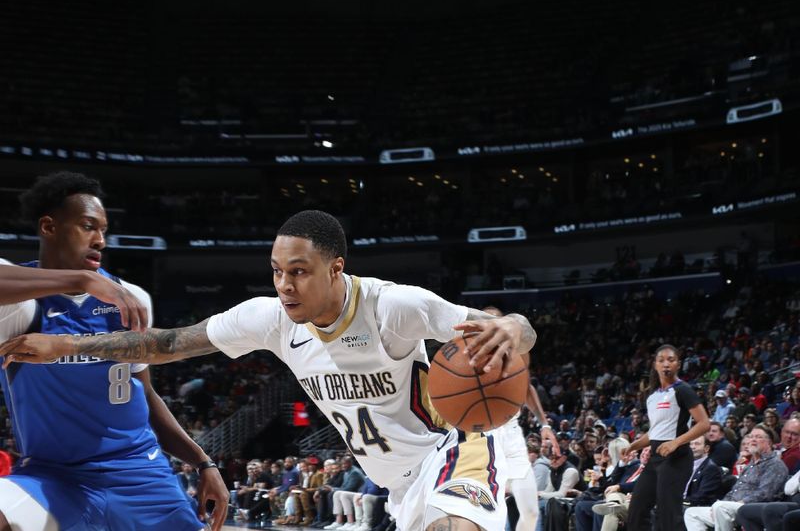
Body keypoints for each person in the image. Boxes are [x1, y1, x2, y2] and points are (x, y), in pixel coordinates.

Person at [2, 209, 538, 531]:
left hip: (453, 447)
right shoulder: (269, 318)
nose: (285, 284)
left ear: (336, 269)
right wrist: (63, 347)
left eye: (299, 272)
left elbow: (509, 327)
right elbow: (165, 343)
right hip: (396, 482)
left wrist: (513, 325)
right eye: (277, 271)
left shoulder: (395, 307)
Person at [0, 171, 228, 531]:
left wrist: (203, 462)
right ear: (48, 227)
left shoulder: (132, 298)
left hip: (141, 475)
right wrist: (82, 279)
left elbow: (146, 394)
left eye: (103, 230)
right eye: (88, 226)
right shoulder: (20, 305)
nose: (100, 240)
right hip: (54, 479)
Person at [483, 306, 559, 531]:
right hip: (482, 434)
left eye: (497, 321)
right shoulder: (467, 353)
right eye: (487, 321)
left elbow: (525, 387)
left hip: (512, 431)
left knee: (531, 511)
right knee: (492, 510)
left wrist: (544, 424)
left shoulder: (520, 351)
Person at [623, 345, 710, 530]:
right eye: (661, 360)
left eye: (671, 360)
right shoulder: (652, 396)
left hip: (676, 459)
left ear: (678, 364)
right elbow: (655, 431)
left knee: (668, 515)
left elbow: (704, 424)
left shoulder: (683, 390)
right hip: (655, 460)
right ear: (655, 365)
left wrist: (676, 442)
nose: (666, 364)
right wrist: (633, 446)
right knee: (637, 510)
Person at [684, 425, 788, 531]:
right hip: (731, 506)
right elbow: (735, 489)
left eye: (758, 437)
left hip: (754, 507)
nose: (753, 440)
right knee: (691, 513)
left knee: (720, 508)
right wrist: (720, 504)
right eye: (751, 436)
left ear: (769, 442)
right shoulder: (751, 464)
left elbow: (766, 493)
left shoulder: (775, 464)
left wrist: (740, 502)